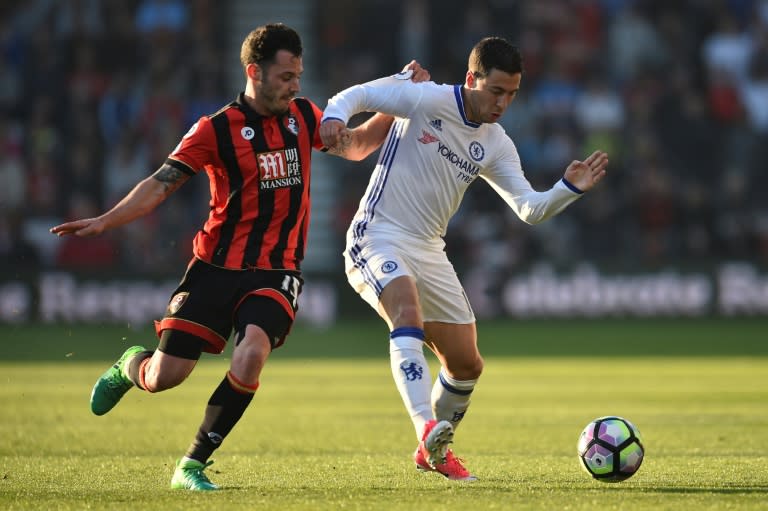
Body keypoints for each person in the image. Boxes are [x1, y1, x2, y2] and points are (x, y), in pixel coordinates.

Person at [50, 23, 429, 491]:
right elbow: (160, 183)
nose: (296, 86)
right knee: (164, 377)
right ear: (255, 72)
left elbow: (356, 147)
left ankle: (192, 463)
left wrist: (399, 101)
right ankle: (132, 365)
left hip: (277, 269)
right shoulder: (215, 129)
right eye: (287, 77)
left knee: (251, 353)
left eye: (299, 76)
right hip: (213, 268)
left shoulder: (304, 117)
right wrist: (106, 221)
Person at [319, 36, 609, 481]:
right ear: (471, 78)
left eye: (511, 94)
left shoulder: (495, 143)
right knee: (406, 310)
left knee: (467, 364)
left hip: (429, 249)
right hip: (378, 235)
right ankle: (426, 428)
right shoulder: (425, 98)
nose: (503, 103)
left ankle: (434, 452)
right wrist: (335, 117)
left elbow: (528, 209)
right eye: (495, 91)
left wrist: (567, 189)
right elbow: (355, 95)